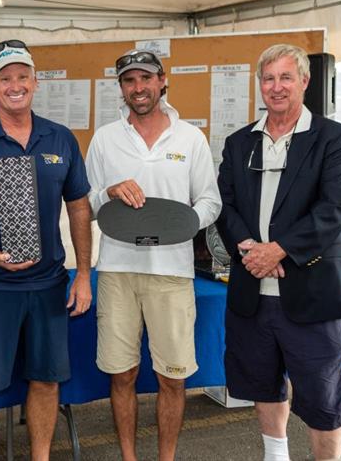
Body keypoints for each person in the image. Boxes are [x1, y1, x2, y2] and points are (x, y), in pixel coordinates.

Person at [0, 40, 92, 461]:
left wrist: (82, 274)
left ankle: (40, 456)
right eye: (5, 78)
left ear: (35, 81)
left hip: (48, 285)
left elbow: (79, 205)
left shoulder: (60, 139)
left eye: (23, 76)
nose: (15, 85)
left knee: (45, 380)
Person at [216, 44, 341, 461]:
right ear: (259, 85)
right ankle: (275, 456)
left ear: (304, 82)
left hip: (313, 295)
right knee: (262, 384)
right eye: (268, 79)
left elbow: (334, 209)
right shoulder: (240, 142)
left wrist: (276, 251)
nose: (276, 88)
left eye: (285, 78)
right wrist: (250, 252)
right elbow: (225, 205)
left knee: (323, 399)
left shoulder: (334, 138)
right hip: (252, 294)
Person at [85, 49, 221, 461]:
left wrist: (178, 225)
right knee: (121, 373)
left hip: (172, 274)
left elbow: (210, 202)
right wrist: (107, 193)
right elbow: (85, 203)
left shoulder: (190, 138)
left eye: (145, 79)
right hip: (117, 271)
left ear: (163, 81)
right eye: (129, 81)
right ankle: (129, 456)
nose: (138, 88)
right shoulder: (106, 138)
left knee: (172, 377)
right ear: (121, 88)